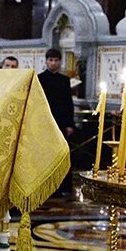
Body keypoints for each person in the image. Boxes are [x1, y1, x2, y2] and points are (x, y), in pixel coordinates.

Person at [37, 48, 77, 190]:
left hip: (61, 122)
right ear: (46, 61)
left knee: (62, 154)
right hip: (45, 122)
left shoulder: (64, 80)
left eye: (56, 60)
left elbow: (68, 103)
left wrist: (70, 124)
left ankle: (63, 187)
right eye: (51, 60)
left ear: (60, 62)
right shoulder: (39, 79)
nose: (53, 63)